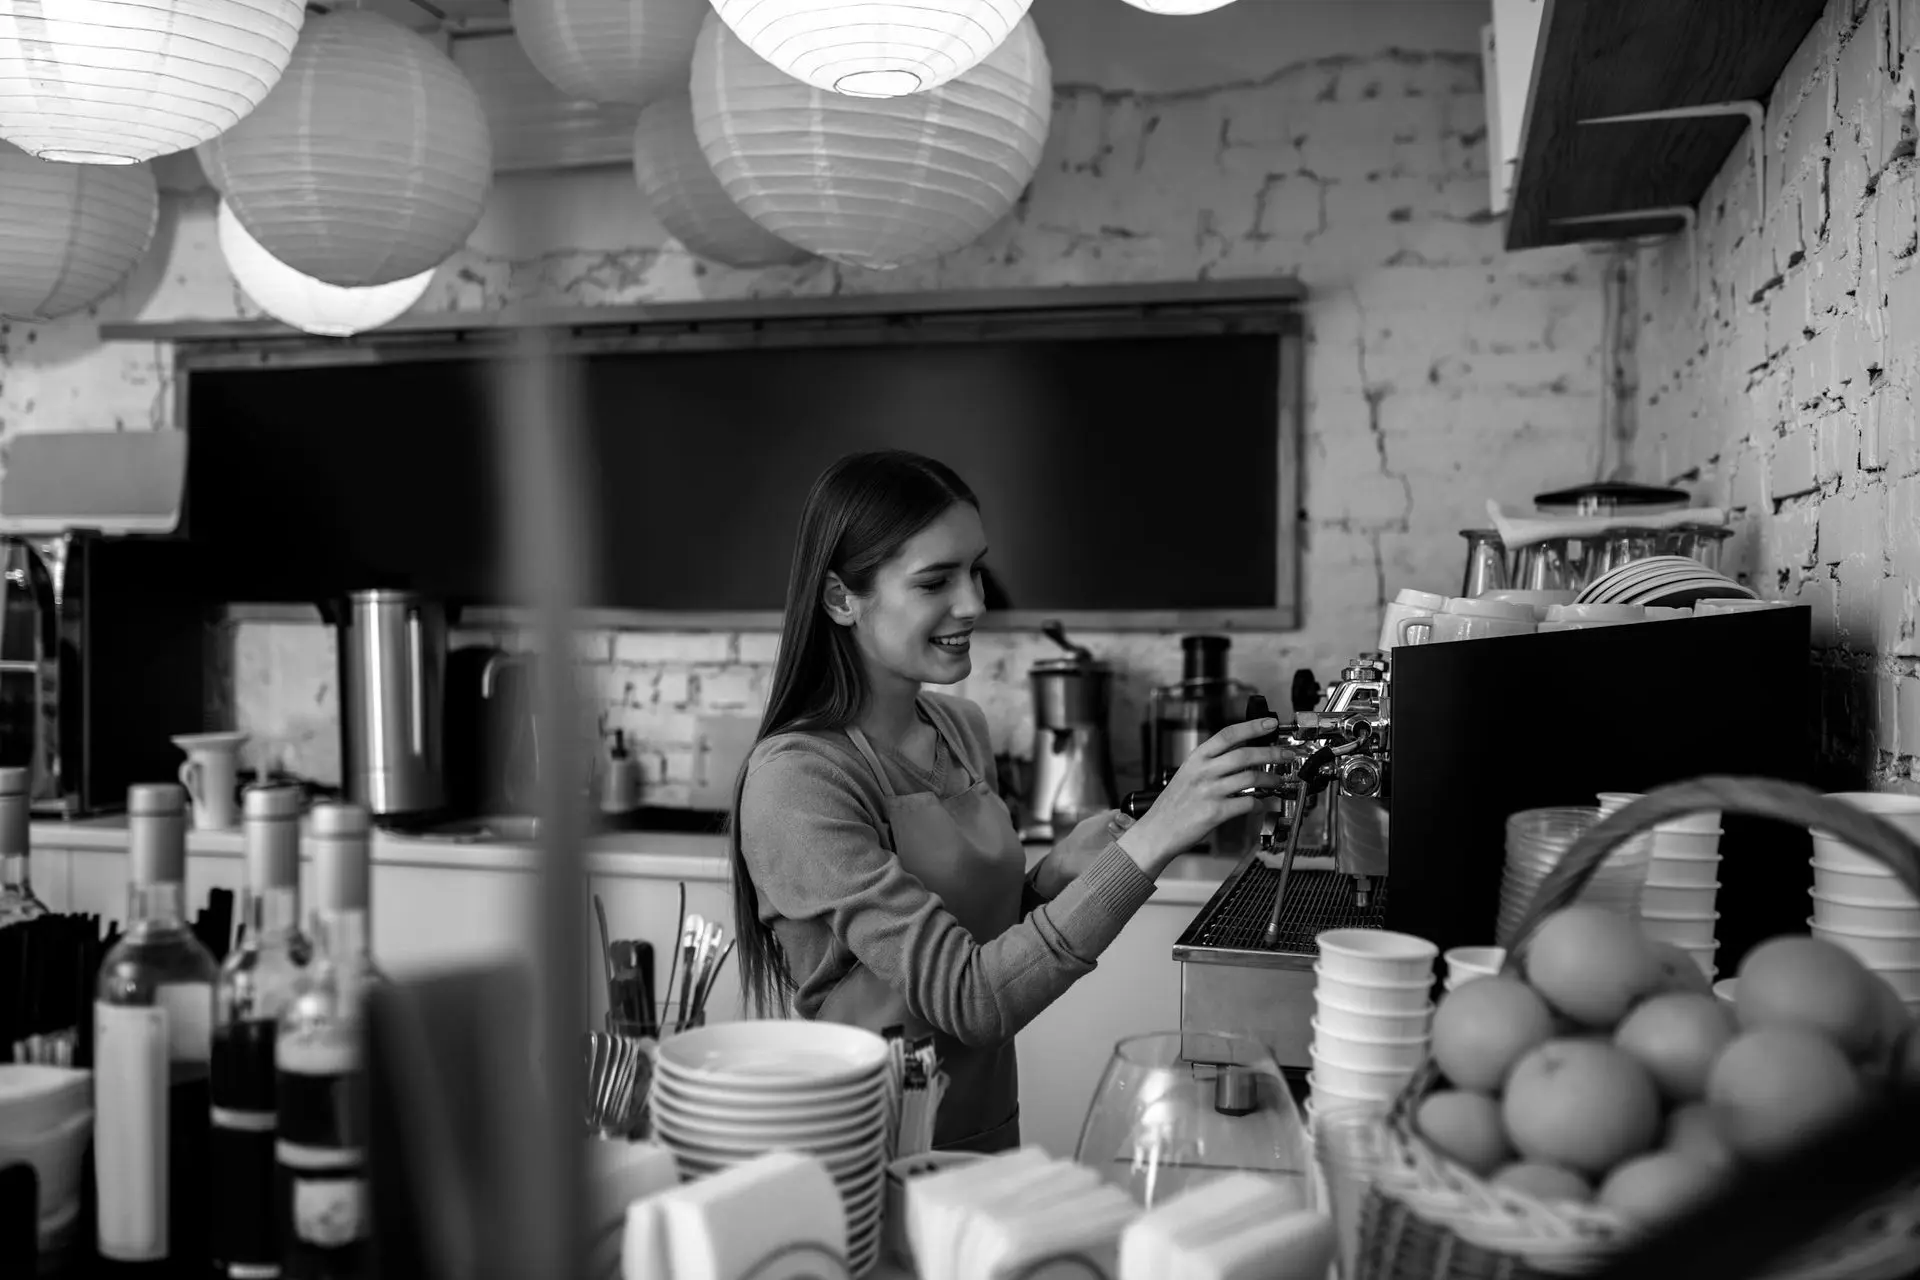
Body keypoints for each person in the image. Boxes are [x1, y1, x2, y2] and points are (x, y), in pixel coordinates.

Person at [727, 450, 1285, 1154]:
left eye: (975, 570)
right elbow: (970, 997)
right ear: (841, 598)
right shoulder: (798, 781)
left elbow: (964, 943)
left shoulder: (960, 730)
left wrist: (1049, 880)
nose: (975, 604)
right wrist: (1155, 839)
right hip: (868, 1157)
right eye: (935, 581)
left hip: (984, 1132)